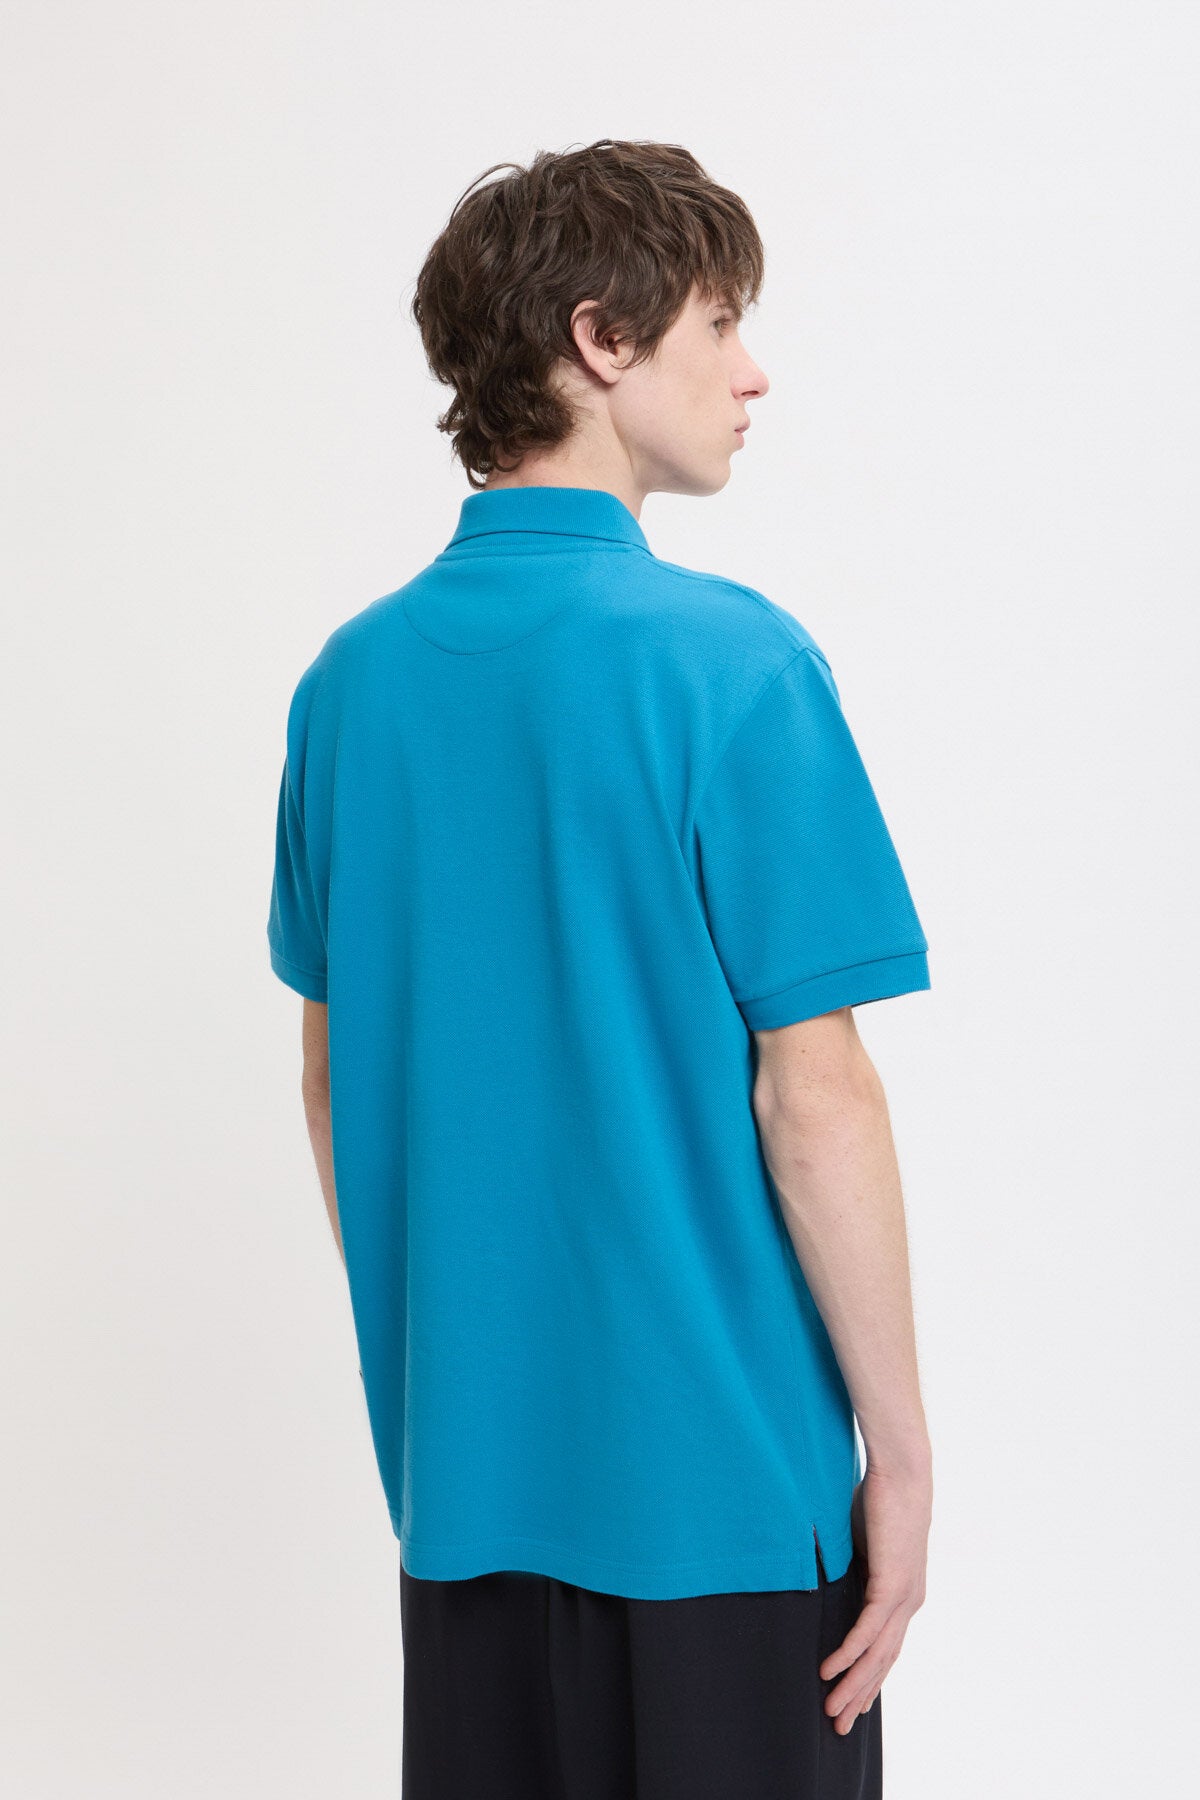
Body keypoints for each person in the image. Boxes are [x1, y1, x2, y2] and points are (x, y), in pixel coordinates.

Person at [267, 139, 933, 1799]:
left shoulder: (346, 690)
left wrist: (452, 1367)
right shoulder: (734, 667)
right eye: (721, 323)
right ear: (603, 339)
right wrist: (905, 1462)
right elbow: (816, 1098)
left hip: (466, 1494)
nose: (752, 372)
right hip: (729, 1505)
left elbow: (336, 1082)